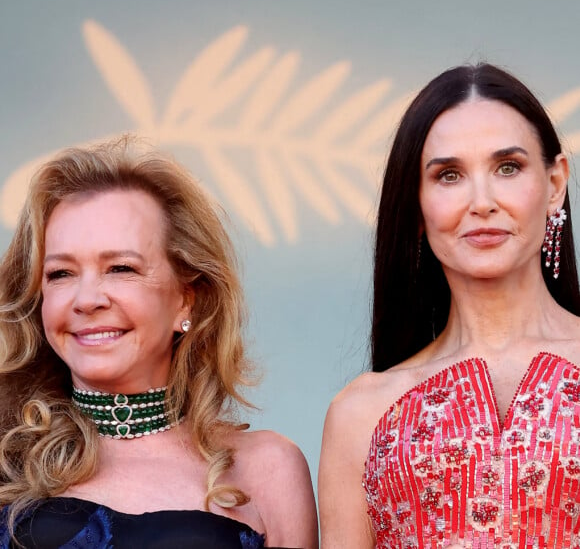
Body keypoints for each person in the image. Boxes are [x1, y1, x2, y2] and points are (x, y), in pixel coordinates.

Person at [0, 136, 318, 548]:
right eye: (61, 273)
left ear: (187, 298)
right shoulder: (8, 461)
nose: (87, 299)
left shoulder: (267, 467)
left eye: (120, 268)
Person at [318, 63, 580, 548]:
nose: (482, 202)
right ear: (416, 207)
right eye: (449, 175)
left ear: (555, 183)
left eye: (508, 167)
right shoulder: (361, 414)